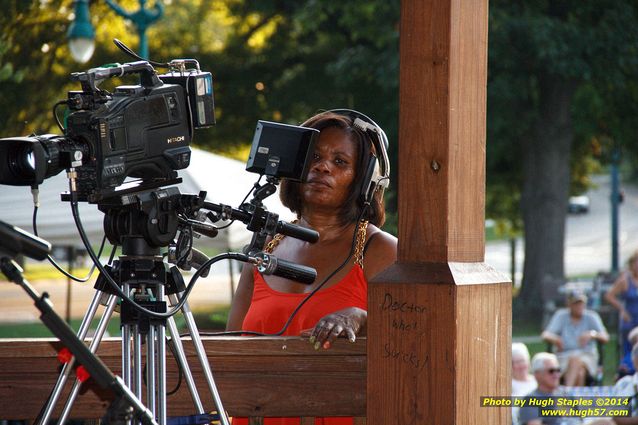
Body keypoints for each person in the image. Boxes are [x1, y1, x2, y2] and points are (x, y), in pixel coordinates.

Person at [226, 110, 398, 425]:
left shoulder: (382, 250)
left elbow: (413, 335)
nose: (322, 166)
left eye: (340, 162)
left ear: (365, 179)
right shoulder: (264, 249)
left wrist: (360, 317)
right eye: (314, 157)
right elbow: (229, 346)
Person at [518, 353, 614, 425]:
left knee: (606, 422)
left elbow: (580, 420)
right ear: (537, 375)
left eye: (558, 370)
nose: (556, 375)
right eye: (551, 371)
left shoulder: (565, 394)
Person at [541, 291, 609, 386]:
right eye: (576, 304)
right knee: (580, 373)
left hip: (587, 356)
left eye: (581, 303)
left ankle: (566, 394)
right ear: (569, 305)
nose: (579, 306)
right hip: (564, 356)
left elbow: (605, 337)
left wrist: (592, 334)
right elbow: (545, 335)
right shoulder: (561, 316)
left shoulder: (591, 316)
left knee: (575, 360)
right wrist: (555, 339)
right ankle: (576, 399)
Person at [605, 251, 638, 368]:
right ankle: (627, 371)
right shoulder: (625, 280)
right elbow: (609, 295)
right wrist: (622, 309)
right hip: (630, 319)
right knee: (629, 348)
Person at [512, 343, 538, 425]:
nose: (521, 365)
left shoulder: (537, 380)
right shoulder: (508, 385)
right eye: (516, 362)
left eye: (523, 361)